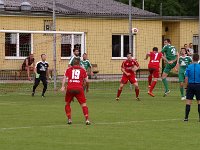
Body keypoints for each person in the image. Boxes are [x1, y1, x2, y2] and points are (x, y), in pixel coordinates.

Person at [61, 58, 90, 125]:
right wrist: (87, 88)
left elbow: (64, 78)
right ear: (79, 64)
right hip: (79, 88)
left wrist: (62, 87)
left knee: (67, 103)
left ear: (72, 64)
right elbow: (87, 81)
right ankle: (87, 120)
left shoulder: (68, 70)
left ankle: (69, 119)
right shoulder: (83, 70)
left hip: (70, 88)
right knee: (83, 105)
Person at [184, 53, 200, 122]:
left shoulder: (189, 67)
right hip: (198, 85)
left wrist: (186, 87)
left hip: (190, 85)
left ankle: (186, 118)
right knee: (199, 102)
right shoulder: (199, 67)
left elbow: (186, 78)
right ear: (198, 59)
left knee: (188, 102)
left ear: (192, 59)